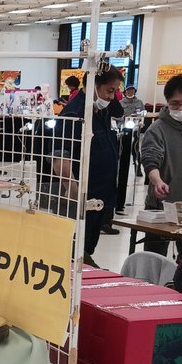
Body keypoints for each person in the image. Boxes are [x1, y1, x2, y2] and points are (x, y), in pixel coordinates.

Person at [52, 67, 123, 263]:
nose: (112, 96)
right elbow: (60, 159)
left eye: (115, 91)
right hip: (83, 197)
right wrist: (75, 195)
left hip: (101, 194)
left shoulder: (100, 109)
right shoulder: (74, 114)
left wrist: (110, 97)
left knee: (88, 247)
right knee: (75, 253)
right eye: (109, 90)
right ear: (93, 85)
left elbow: (119, 111)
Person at [140, 73, 182, 255]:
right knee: (154, 257)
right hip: (162, 206)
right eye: (175, 104)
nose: (181, 108)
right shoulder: (157, 129)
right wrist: (157, 181)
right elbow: (150, 159)